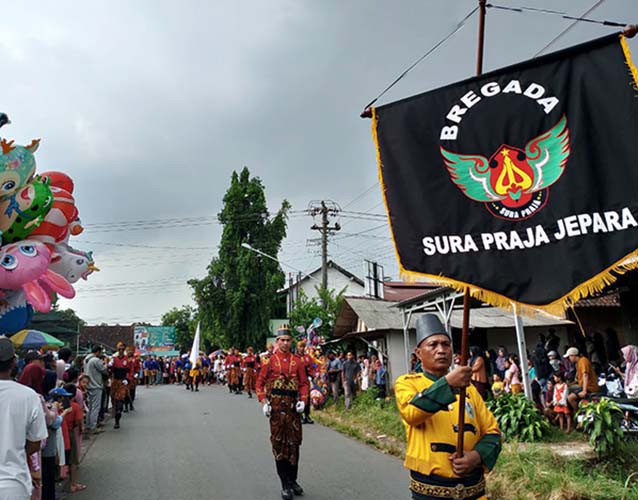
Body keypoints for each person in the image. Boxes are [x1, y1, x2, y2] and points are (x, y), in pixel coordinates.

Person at [394, 315, 501, 500]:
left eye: (446, 344)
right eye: (433, 345)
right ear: (419, 353)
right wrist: (449, 384)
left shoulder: (470, 390)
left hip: (474, 491)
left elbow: (493, 433)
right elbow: (411, 413)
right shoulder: (407, 383)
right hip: (430, 492)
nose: (441, 350)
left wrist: (476, 456)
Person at [256, 325, 309, 500]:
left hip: (293, 410)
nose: (285, 343)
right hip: (277, 410)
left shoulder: (298, 361)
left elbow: (303, 383)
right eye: (282, 340)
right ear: (277, 342)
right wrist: (264, 402)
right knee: (279, 445)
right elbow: (259, 384)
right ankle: (284, 484)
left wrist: (303, 400)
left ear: (291, 341)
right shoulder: (268, 361)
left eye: (288, 340)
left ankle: (293, 480)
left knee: (294, 444)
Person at [0, 336, 48, 500]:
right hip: (14, 485)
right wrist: (16, 450)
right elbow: (36, 442)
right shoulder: (29, 396)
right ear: (14, 363)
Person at [566, 347, 600, 413]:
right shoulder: (578, 363)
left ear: (573, 355)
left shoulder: (583, 361)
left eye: (569, 357)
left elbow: (585, 375)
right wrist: (570, 384)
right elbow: (579, 378)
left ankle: (578, 413)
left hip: (589, 387)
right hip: (583, 386)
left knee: (570, 398)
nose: (569, 359)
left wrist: (584, 391)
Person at [83, 345, 107, 435]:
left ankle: (88, 425)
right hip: (96, 385)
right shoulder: (96, 360)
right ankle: (93, 427)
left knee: (90, 406)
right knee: (96, 407)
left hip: (88, 385)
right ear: (97, 352)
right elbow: (104, 370)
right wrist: (105, 363)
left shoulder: (86, 359)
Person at [109, 341, 130, 429]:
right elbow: (109, 370)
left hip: (122, 381)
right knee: (113, 398)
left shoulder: (127, 359)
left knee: (121, 399)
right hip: (114, 381)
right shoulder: (114, 358)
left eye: (122, 349)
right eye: (119, 349)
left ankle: (118, 415)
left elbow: (129, 370)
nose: (121, 350)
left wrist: (127, 379)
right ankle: (115, 411)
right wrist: (109, 366)